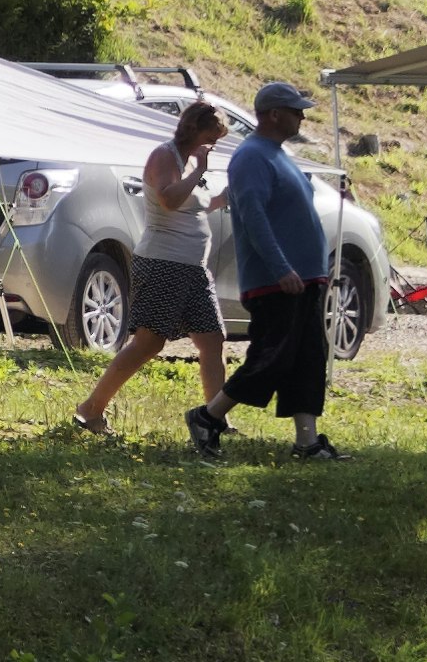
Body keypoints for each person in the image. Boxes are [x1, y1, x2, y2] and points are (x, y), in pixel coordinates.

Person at [63, 100, 232, 442]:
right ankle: (91, 409)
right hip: (162, 263)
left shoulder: (190, 162)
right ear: (194, 130)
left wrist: (223, 198)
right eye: (211, 139)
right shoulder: (165, 156)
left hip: (193, 268)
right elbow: (169, 199)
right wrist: (199, 168)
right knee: (148, 343)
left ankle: (215, 419)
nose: (213, 147)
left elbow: (191, 205)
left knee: (212, 340)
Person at [223, 77, 341, 463]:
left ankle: (307, 441)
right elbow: (253, 217)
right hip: (277, 282)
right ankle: (208, 417)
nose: (301, 119)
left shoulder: (276, 153)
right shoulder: (251, 157)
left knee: (307, 359)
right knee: (272, 357)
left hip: (302, 279)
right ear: (274, 114)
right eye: (295, 112)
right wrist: (280, 268)